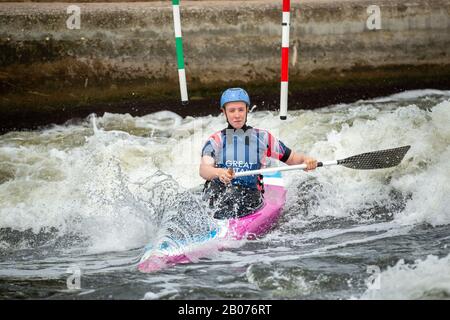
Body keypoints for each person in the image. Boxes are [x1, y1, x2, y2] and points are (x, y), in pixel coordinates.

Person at [199, 87, 317, 219]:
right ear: (224, 112)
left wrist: (307, 160)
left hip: (248, 195)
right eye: (232, 110)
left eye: (241, 110)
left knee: (236, 195)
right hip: (219, 192)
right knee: (215, 193)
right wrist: (219, 172)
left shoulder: (263, 138)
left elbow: (293, 158)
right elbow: (204, 169)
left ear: (247, 110)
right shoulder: (216, 140)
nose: (237, 115)